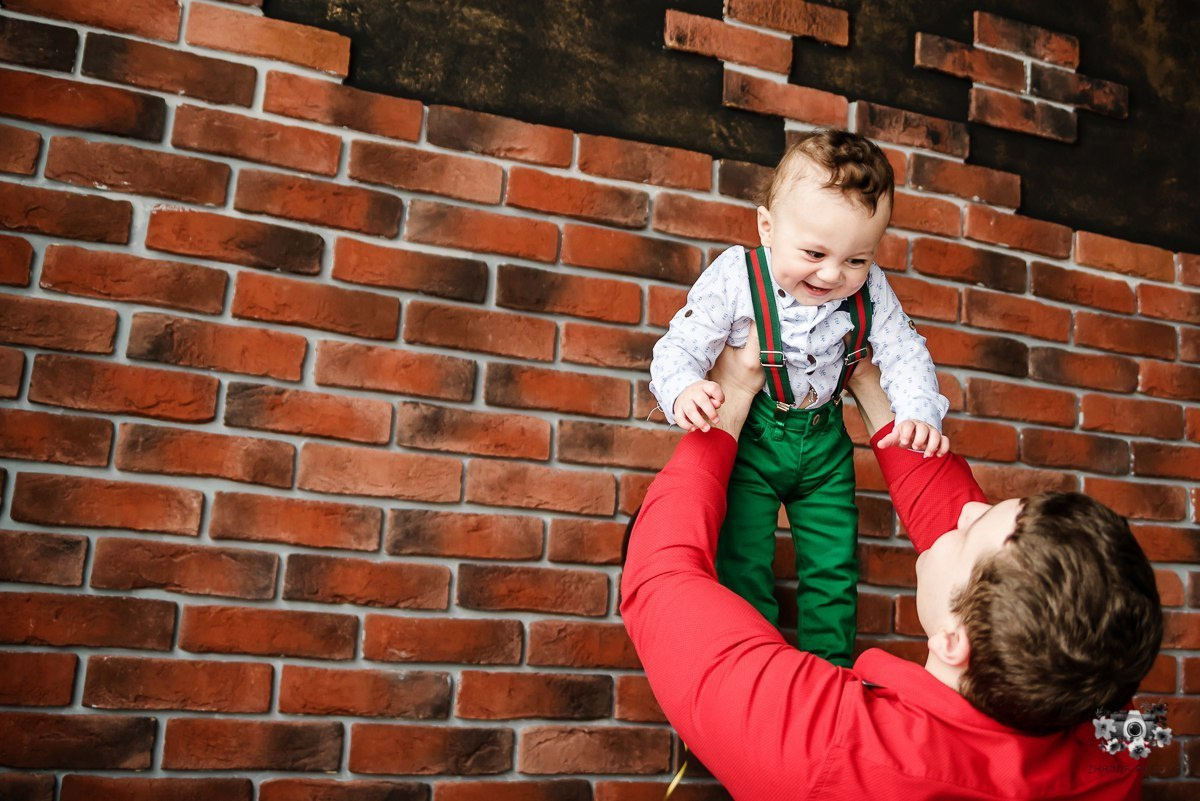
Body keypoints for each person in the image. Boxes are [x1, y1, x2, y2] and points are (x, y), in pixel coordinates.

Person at [621, 344, 1162, 800]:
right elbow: (971, 537)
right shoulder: (1117, 737)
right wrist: (874, 386)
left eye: (973, 533)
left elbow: (659, 579)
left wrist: (733, 399)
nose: (969, 510)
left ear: (955, 642)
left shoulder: (834, 751)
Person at [648, 129, 949, 666]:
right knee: (743, 558)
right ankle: (757, 668)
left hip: (825, 443)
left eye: (856, 259)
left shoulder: (872, 287)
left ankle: (832, 672)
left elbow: (904, 350)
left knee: (834, 567)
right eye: (814, 252)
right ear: (767, 227)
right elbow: (680, 346)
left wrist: (919, 411)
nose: (833, 274)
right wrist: (684, 390)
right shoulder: (737, 276)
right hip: (757, 439)